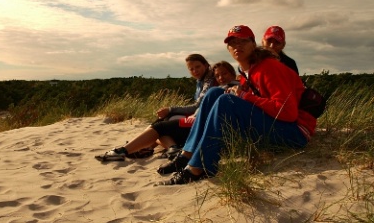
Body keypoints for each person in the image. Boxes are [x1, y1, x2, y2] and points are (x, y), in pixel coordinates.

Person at [156, 25, 317, 185]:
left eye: (243, 41)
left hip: (295, 132)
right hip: (274, 125)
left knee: (227, 101)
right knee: (214, 94)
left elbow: (288, 113)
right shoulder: (246, 72)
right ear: (228, 48)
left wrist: (245, 97)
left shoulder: (269, 67)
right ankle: (187, 155)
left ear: (254, 45)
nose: (237, 46)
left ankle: (199, 168)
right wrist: (241, 95)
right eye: (233, 42)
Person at [95, 54, 220, 162]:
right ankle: (154, 148)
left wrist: (171, 109)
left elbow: (197, 106)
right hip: (196, 119)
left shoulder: (210, 81)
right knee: (164, 121)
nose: (195, 71)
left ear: (205, 65)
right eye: (191, 69)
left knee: (161, 127)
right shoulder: (201, 81)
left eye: (197, 67)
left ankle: (124, 151)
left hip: (201, 123)